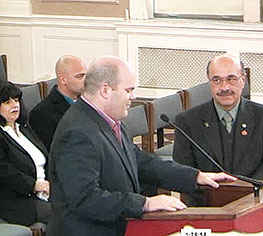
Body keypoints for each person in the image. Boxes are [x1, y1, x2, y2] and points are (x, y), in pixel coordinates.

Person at [47, 56, 236, 236]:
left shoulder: (108, 121)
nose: (133, 97)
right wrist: (144, 204)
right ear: (105, 90)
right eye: (128, 90)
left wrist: (195, 176)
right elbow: (86, 199)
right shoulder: (77, 132)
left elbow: (139, 161)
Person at [173, 53, 263, 188]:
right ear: (209, 82)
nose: (224, 87)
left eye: (231, 79)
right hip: (206, 201)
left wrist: (243, 192)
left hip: (253, 198)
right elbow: (185, 171)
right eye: (217, 80)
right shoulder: (187, 121)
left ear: (243, 80)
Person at [0, 82, 51, 227]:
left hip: (46, 190)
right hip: (19, 200)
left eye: (16, 100)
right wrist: (34, 185)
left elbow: (44, 158)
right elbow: (4, 172)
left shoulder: (24, 128)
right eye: (7, 102)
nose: (14, 105)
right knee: (66, 214)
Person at [29, 55, 87, 151]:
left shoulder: (87, 103)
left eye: (86, 75)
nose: (85, 81)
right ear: (63, 80)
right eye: (80, 76)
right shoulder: (42, 113)